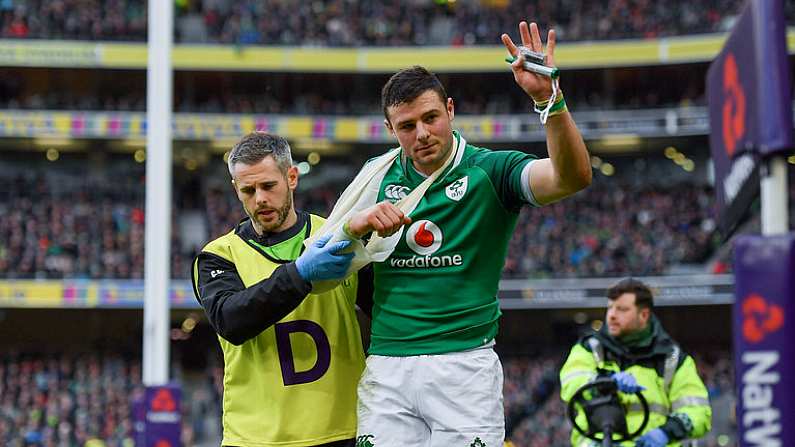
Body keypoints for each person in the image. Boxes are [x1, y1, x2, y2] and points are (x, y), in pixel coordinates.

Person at [333, 21, 592, 446]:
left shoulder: (492, 171)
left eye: (431, 118)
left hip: (463, 366)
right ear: (389, 129)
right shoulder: (373, 178)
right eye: (406, 125)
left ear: (450, 110)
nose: (422, 134)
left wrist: (550, 101)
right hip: (387, 366)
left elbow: (571, 178)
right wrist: (352, 226)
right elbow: (327, 257)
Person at [191, 131, 373, 447]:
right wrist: (300, 273)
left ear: (291, 177)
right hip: (255, 438)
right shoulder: (218, 255)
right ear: (236, 190)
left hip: (341, 431)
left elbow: (386, 308)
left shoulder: (336, 237)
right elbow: (231, 320)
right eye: (248, 190)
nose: (259, 198)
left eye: (268, 186)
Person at [559, 278, 712, 447]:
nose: (612, 315)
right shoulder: (590, 348)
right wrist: (607, 381)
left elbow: (698, 412)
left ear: (644, 315)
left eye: (622, 309)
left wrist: (666, 432)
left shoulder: (673, 359)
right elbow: (572, 383)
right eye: (610, 308)